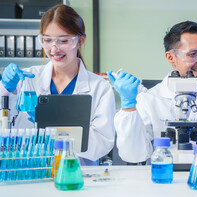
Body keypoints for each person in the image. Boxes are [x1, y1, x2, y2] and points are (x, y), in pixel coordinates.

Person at [0, 4, 115, 165]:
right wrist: (5, 90)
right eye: (47, 40)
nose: (54, 49)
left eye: (63, 40)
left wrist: (55, 126)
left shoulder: (100, 88)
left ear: (80, 40)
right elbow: (5, 128)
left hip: (76, 175)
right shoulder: (27, 79)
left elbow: (102, 144)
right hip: (32, 172)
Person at [109, 21, 197, 164]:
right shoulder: (149, 99)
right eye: (193, 54)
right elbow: (134, 155)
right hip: (162, 177)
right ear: (170, 57)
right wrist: (128, 107)